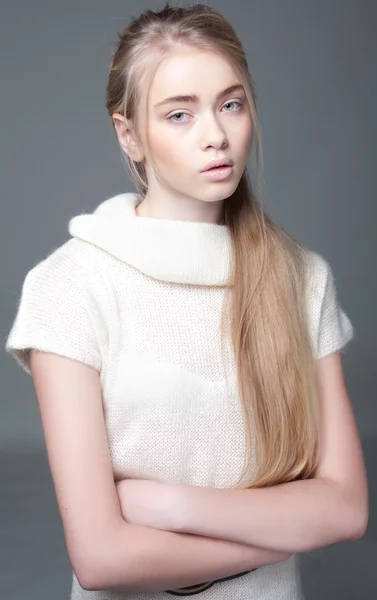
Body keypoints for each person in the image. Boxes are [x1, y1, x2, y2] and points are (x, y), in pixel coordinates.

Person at [5, 3, 368, 599]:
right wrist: (286, 530)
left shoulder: (302, 279)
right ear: (129, 136)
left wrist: (170, 506)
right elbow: (101, 559)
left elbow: (347, 507)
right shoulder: (70, 287)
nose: (216, 135)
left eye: (231, 103)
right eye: (179, 114)